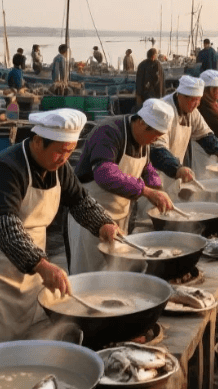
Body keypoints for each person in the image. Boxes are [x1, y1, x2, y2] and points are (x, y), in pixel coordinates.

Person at [0, 109, 119, 344]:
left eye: (70, 151)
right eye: (59, 151)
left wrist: (103, 224)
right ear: (38, 141)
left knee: (27, 336)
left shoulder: (59, 168)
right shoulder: (5, 168)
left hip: (32, 263)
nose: (64, 158)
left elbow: (80, 201)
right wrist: (43, 265)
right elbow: (7, 227)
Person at [66, 99, 175, 274]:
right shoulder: (109, 132)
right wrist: (146, 191)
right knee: (89, 274)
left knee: (113, 275)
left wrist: (158, 189)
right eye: (154, 135)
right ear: (141, 122)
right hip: (88, 219)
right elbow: (104, 174)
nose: (153, 141)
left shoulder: (144, 141)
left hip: (119, 219)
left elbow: (147, 168)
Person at [149, 75, 218, 194]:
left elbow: (205, 135)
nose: (196, 104)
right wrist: (177, 168)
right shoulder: (163, 110)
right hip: (156, 172)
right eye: (192, 100)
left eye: (198, 99)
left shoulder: (192, 112)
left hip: (174, 171)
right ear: (180, 95)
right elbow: (156, 149)